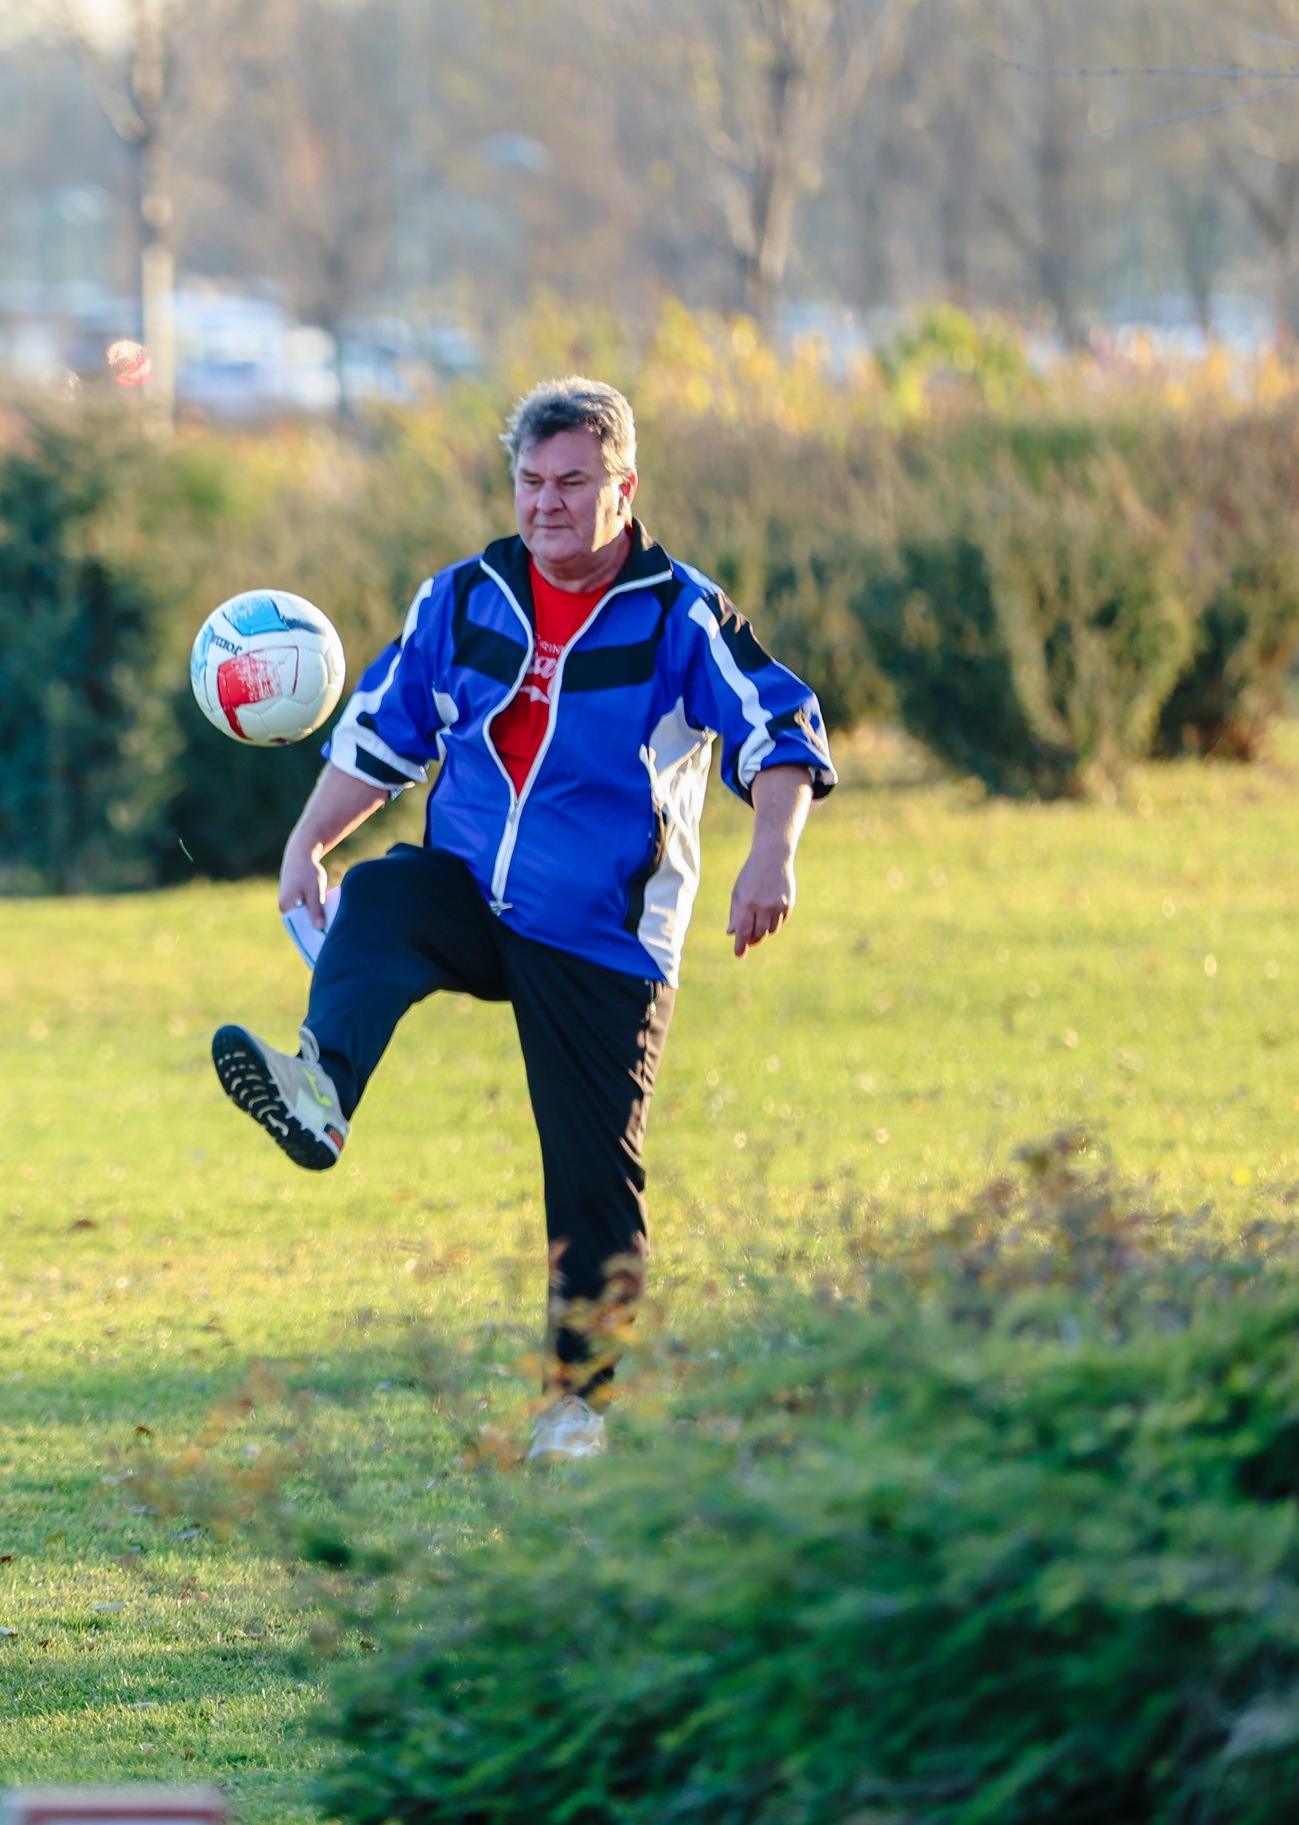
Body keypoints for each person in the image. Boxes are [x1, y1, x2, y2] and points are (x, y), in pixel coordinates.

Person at [211, 377, 836, 1464]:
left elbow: (779, 727)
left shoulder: (678, 613)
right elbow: (384, 731)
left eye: (573, 482)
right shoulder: (462, 598)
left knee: (592, 1176)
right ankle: (320, 1090)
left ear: (623, 488)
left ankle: (576, 1406)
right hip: (470, 894)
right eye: (531, 481)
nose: (547, 503)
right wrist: (307, 841)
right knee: (381, 895)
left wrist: (771, 854)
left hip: (601, 932)